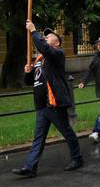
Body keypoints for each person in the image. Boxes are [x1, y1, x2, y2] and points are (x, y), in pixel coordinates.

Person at [12, 22, 83, 178]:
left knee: (66, 131)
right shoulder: (40, 60)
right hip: (42, 105)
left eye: (49, 36)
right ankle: (30, 167)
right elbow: (31, 82)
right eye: (45, 36)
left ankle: (77, 159)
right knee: (39, 138)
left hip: (54, 103)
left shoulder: (57, 54)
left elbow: (44, 47)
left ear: (56, 42)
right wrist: (28, 72)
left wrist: (33, 31)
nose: (45, 37)